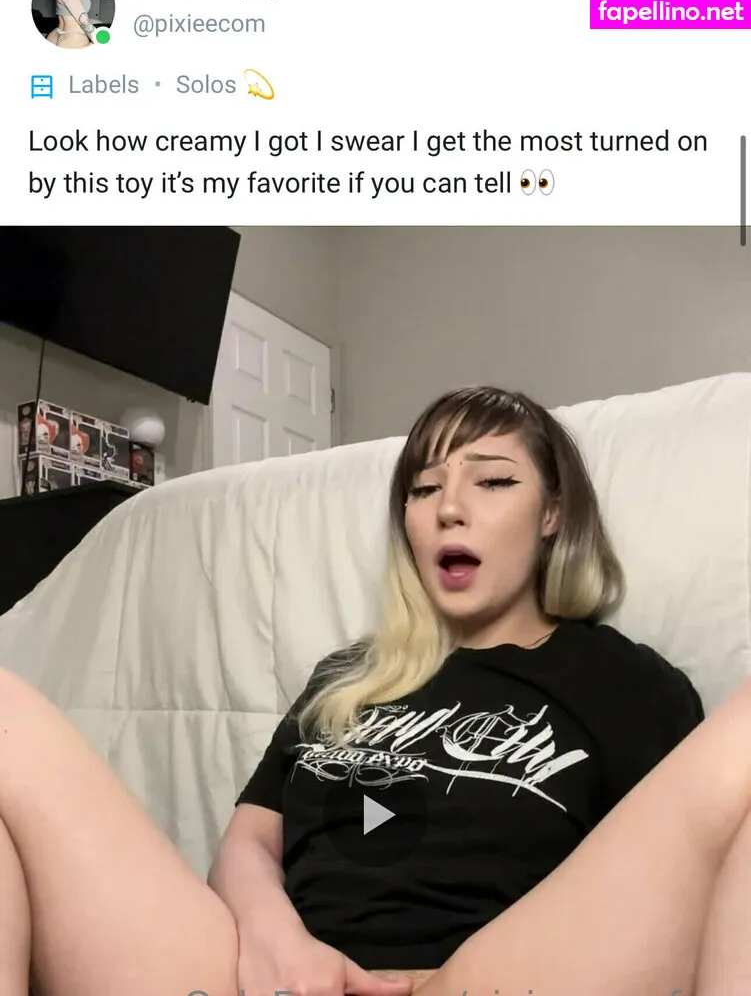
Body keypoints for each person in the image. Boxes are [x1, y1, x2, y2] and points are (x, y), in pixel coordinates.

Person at [1, 384, 750, 996]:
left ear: (553, 513)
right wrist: (277, 942)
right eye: (424, 489)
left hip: (471, 978)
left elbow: (653, 891)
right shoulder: (348, 674)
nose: (449, 507)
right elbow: (249, 843)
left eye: (492, 481)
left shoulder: (621, 681)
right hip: (274, 979)